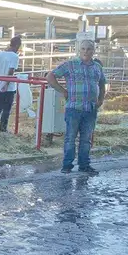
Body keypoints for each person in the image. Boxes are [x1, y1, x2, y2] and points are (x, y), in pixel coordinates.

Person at [47, 39, 107, 174]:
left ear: (93, 51)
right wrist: (63, 91)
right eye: (84, 49)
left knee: (86, 139)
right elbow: (50, 76)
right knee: (70, 138)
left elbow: (102, 83)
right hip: (74, 107)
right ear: (79, 50)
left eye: (89, 49)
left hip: (90, 108)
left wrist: (101, 99)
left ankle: (84, 165)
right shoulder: (70, 65)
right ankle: (67, 165)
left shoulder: (97, 67)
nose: (86, 51)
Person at [0, 36, 22, 133]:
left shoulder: (0, 54)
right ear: (17, 45)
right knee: (6, 108)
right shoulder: (15, 56)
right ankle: (3, 128)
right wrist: (6, 83)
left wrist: (0, 73)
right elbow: (11, 71)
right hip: (9, 87)